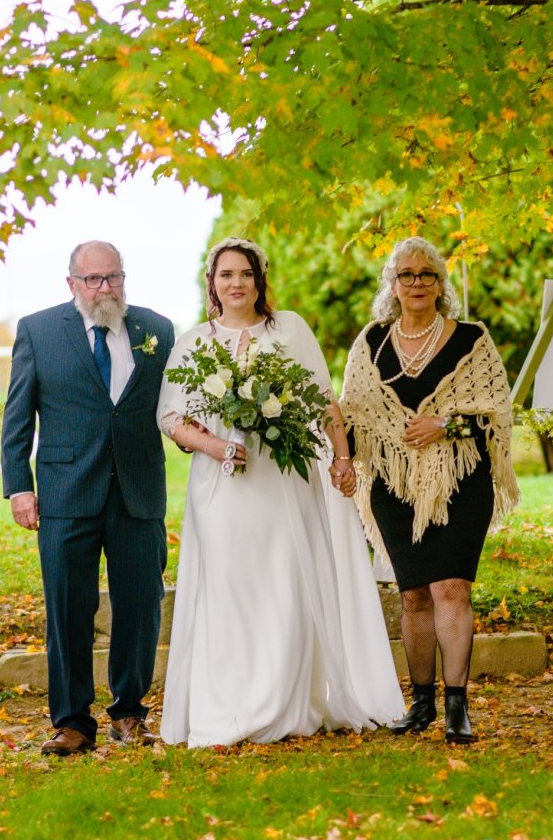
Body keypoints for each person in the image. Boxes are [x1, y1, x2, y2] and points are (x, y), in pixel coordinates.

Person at [156, 237, 404, 747]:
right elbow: (170, 417)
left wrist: (341, 458)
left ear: (259, 280)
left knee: (284, 583)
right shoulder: (194, 342)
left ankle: (284, 702)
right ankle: (227, 704)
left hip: (284, 480)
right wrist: (216, 446)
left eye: (245, 274)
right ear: (213, 283)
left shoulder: (288, 328)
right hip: (221, 486)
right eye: (226, 275)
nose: (237, 283)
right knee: (229, 589)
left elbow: (322, 398)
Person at [339, 237, 519, 745]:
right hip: (393, 485)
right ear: (392, 285)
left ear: (440, 284)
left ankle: (457, 705)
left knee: (451, 589)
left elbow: (496, 411)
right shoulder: (371, 341)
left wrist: (446, 423)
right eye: (406, 274)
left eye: (427, 274)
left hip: (461, 479)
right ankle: (420, 702)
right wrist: (342, 457)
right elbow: (356, 413)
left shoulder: (471, 339)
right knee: (414, 595)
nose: (417, 283)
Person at [0, 241, 175, 756]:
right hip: (65, 492)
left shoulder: (157, 330)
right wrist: (19, 485)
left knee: (141, 605)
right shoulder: (39, 330)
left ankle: (129, 712)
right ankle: (72, 722)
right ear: (71, 283)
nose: (105, 289)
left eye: (113, 277)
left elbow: (179, 403)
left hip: (138, 491)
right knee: (67, 609)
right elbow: (18, 414)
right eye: (94, 279)